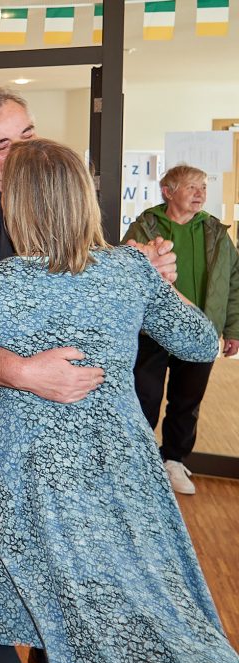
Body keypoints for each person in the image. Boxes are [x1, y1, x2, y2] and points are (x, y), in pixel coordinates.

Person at [0, 137, 239, 663]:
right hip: (120, 470)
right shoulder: (129, 271)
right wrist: (157, 284)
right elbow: (202, 342)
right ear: (85, 199)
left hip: (26, 473)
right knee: (110, 620)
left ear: (18, 205)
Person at [123, 164, 239, 495]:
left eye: (203, 187)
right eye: (191, 187)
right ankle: (139, 464)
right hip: (152, 333)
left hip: (199, 333)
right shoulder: (145, 226)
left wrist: (233, 328)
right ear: (168, 192)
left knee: (186, 402)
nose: (200, 193)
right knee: (144, 398)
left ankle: (173, 460)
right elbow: (125, 271)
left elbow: (234, 281)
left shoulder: (215, 231)